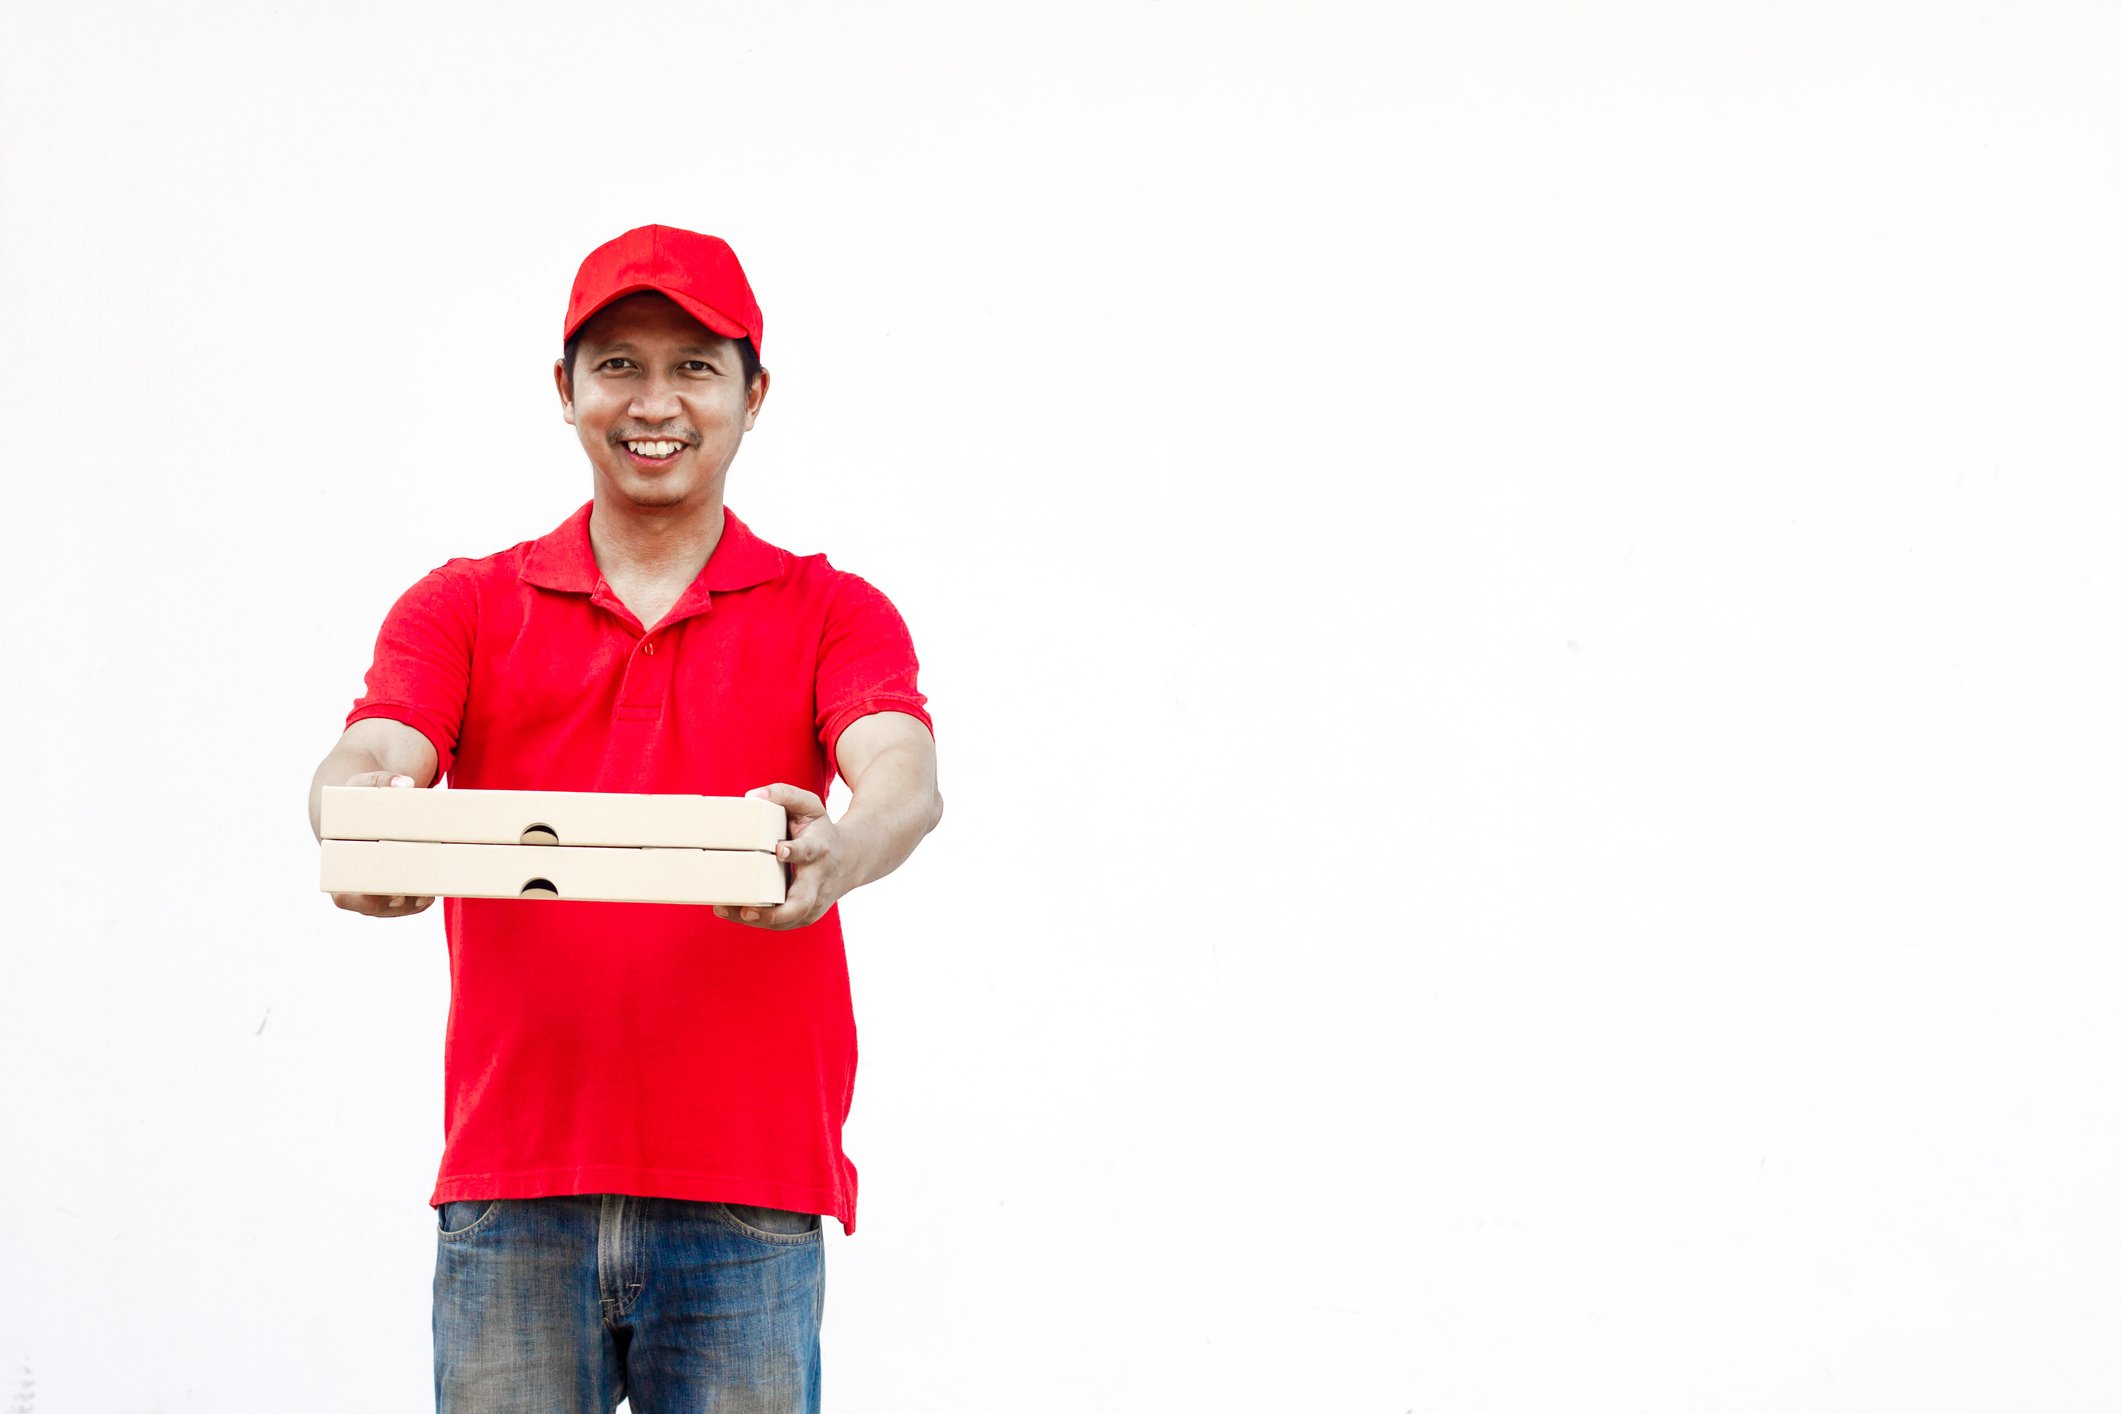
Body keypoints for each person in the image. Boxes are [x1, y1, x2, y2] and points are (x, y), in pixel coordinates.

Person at [306, 224, 942, 1414]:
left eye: (696, 366)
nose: (657, 401)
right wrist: (360, 815)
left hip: (747, 1191)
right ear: (566, 390)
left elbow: (900, 772)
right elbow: (378, 743)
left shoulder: (830, 609)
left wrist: (843, 849)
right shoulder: (466, 604)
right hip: (514, 1187)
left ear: (756, 396)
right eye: (619, 364)